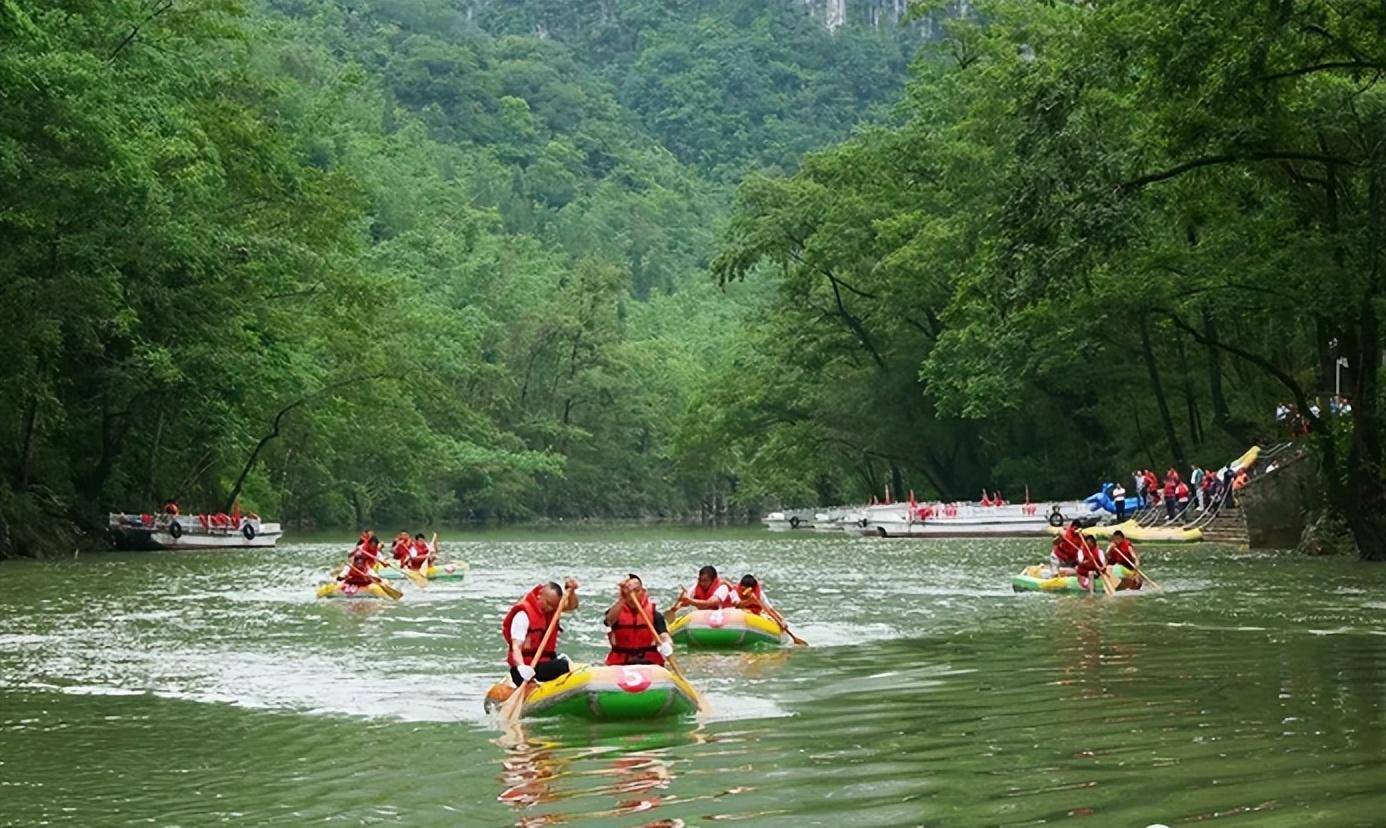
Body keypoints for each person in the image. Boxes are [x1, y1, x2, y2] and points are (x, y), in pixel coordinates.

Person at [503, 579, 580, 687]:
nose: (550, 608)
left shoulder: (552, 609)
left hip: (543, 664)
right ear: (540, 595)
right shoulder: (523, 614)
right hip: (524, 667)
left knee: (564, 666)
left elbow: (572, 606)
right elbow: (516, 647)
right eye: (548, 603)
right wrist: (521, 667)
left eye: (553, 606)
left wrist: (571, 592)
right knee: (563, 666)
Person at [603, 575, 673, 666]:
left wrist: (667, 645)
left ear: (643, 592)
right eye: (629, 592)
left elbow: (664, 635)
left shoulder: (655, 614)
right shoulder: (615, 612)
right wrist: (623, 598)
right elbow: (609, 621)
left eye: (637, 591)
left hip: (648, 661)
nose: (633, 595)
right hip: (621, 662)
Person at [672, 565, 738, 613]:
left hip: (725, 614)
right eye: (701, 580)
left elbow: (710, 603)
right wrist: (676, 607)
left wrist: (690, 601)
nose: (702, 583)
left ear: (713, 580)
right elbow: (686, 601)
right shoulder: (696, 586)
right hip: (705, 616)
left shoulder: (723, 588)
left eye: (705, 580)